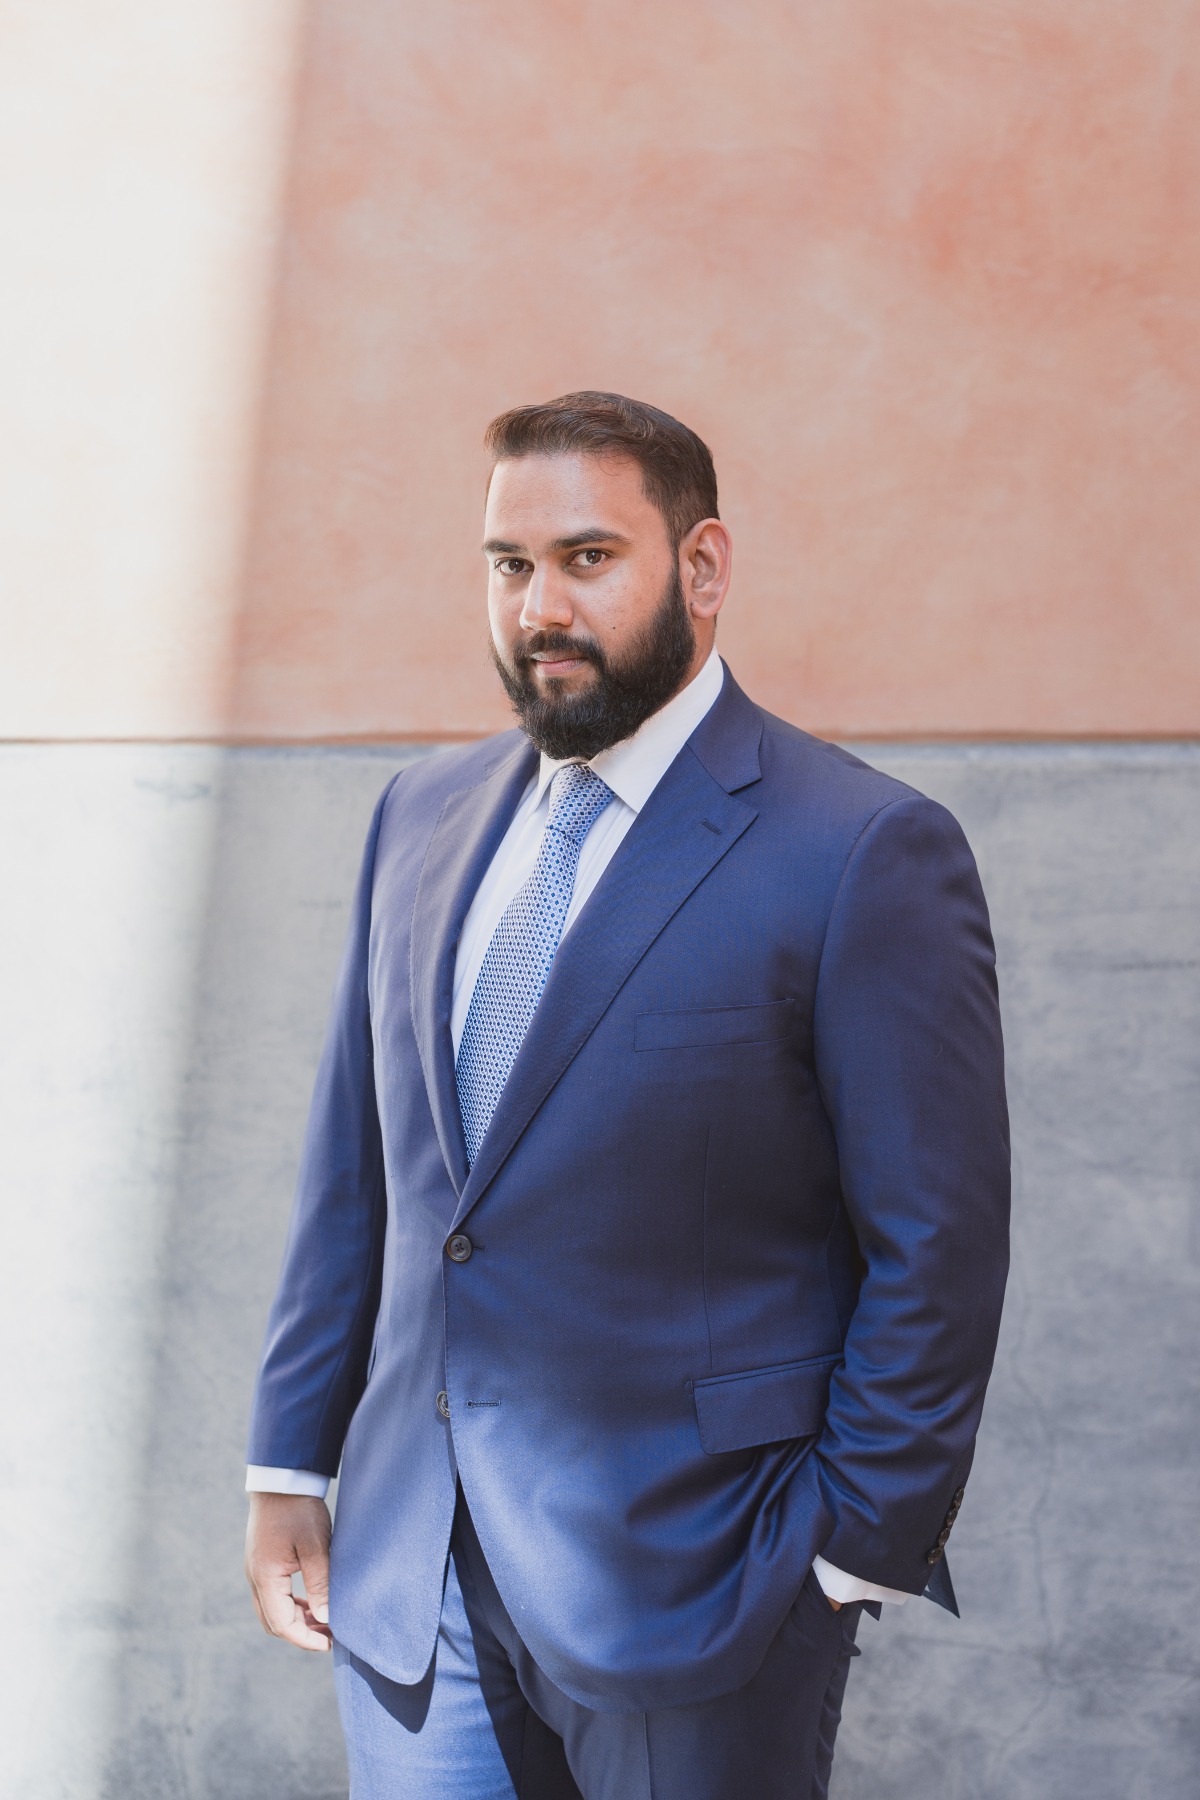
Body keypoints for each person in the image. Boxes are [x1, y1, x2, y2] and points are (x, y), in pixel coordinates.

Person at [244, 391, 1010, 1799]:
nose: (541, 603)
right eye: (508, 564)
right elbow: (362, 1168)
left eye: (589, 558)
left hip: (706, 1586)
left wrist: (846, 1549)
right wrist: (289, 1464)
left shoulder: (863, 852)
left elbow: (938, 1242)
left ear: (701, 570)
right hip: (416, 1581)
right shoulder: (417, 816)